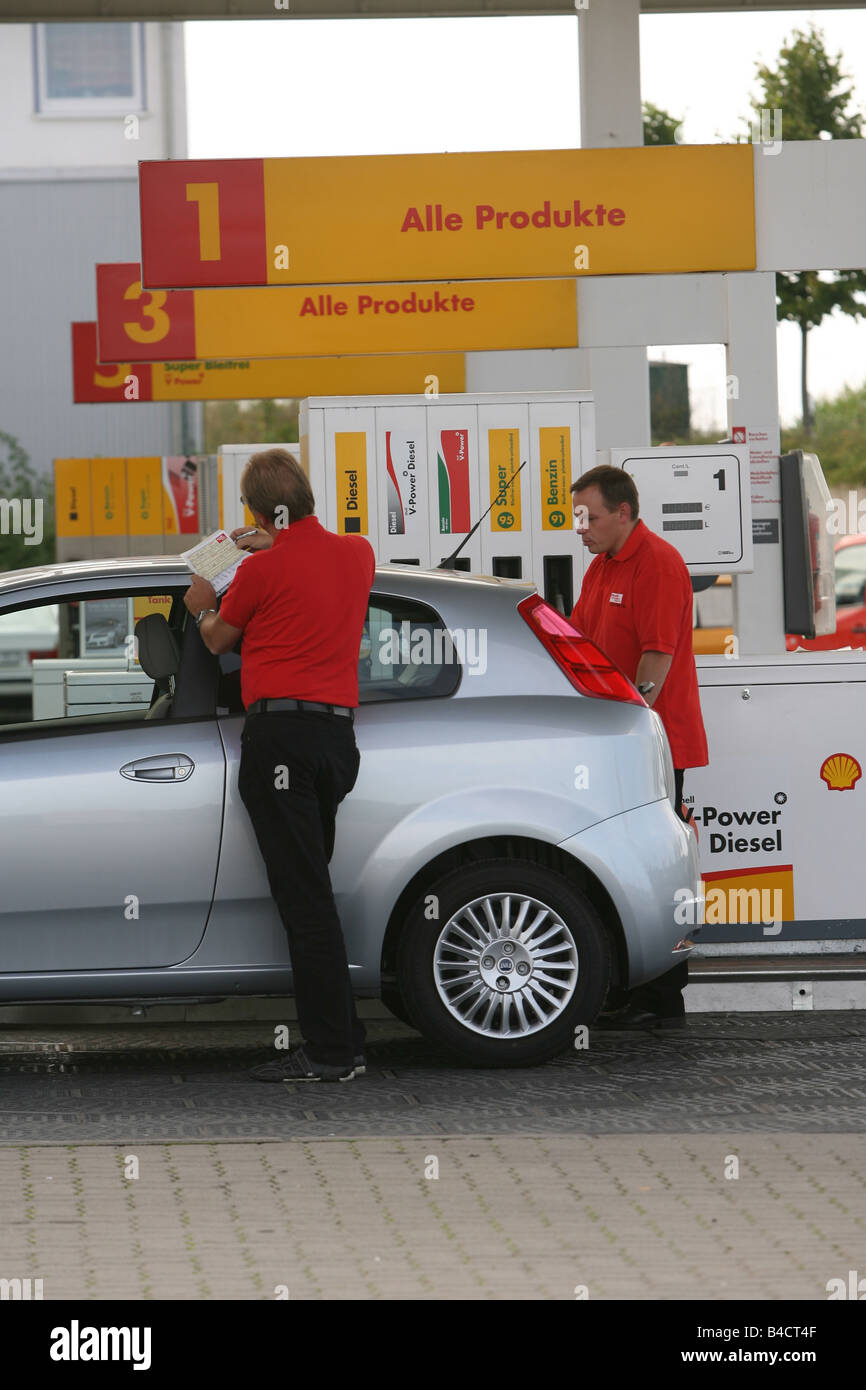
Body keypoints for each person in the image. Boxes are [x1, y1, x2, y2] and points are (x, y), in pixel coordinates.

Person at [183, 448, 375, 1081]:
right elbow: (311, 561)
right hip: (336, 744)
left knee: (305, 904)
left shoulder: (259, 571)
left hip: (281, 742)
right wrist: (271, 536)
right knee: (313, 893)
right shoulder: (358, 553)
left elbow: (212, 633)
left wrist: (217, 566)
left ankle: (330, 1055)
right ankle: (347, 1039)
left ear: (258, 511)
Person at [569, 464, 708, 1029]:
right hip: (616, 744)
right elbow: (577, 647)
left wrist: (626, 727)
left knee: (658, 866)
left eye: (590, 516)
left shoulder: (659, 563)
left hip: (652, 745)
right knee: (618, 864)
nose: (580, 527)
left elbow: (656, 662)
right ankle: (630, 988)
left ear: (624, 511)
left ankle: (664, 997)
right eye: (577, 516)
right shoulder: (601, 567)